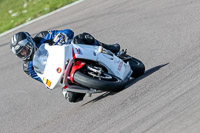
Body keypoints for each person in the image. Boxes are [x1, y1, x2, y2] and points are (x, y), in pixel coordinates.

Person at [9, 29, 120, 102]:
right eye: (21, 53)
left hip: (69, 54)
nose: (24, 54)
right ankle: (90, 83)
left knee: (82, 38)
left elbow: (68, 32)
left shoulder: (42, 36)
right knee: (71, 97)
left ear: (30, 41)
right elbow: (44, 79)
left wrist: (62, 35)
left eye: (24, 49)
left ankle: (109, 49)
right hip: (60, 72)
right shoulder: (28, 68)